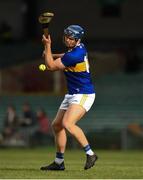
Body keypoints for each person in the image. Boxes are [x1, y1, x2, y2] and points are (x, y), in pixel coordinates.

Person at [40, 25, 98, 171]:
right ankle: (59, 162)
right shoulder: (77, 49)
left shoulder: (75, 55)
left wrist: (48, 46)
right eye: (66, 36)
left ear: (77, 40)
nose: (67, 40)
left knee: (67, 123)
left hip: (84, 94)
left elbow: (51, 67)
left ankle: (91, 154)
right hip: (72, 93)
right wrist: (52, 54)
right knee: (57, 125)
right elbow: (65, 55)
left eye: (71, 38)